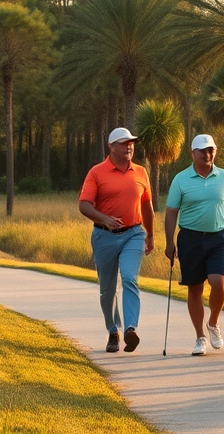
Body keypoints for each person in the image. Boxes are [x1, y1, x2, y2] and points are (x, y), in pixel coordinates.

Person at [164, 134, 224, 356]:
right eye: (203, 151)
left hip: (218, 238)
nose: (208, 155)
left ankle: (213, 323)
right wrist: (169, 242)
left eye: (211, 150)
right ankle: (200, 337)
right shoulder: (181, 179)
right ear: (193, 153)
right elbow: (171, 212)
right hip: (189, 238)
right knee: (195, 288)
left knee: (218, 281)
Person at [79, 127, 155, 354]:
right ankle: (113, 331)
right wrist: (105, 218)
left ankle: (131, 328)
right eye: (123, 143)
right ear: (111, 146)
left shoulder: (141, 172)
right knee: (107, 290)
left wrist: (150, 234)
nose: (129, 146)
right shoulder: (96, 172)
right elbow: (84, 205)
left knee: (130, 278)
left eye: (131, 142)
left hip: (134, 233)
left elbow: (147, 205)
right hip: (104, 236)